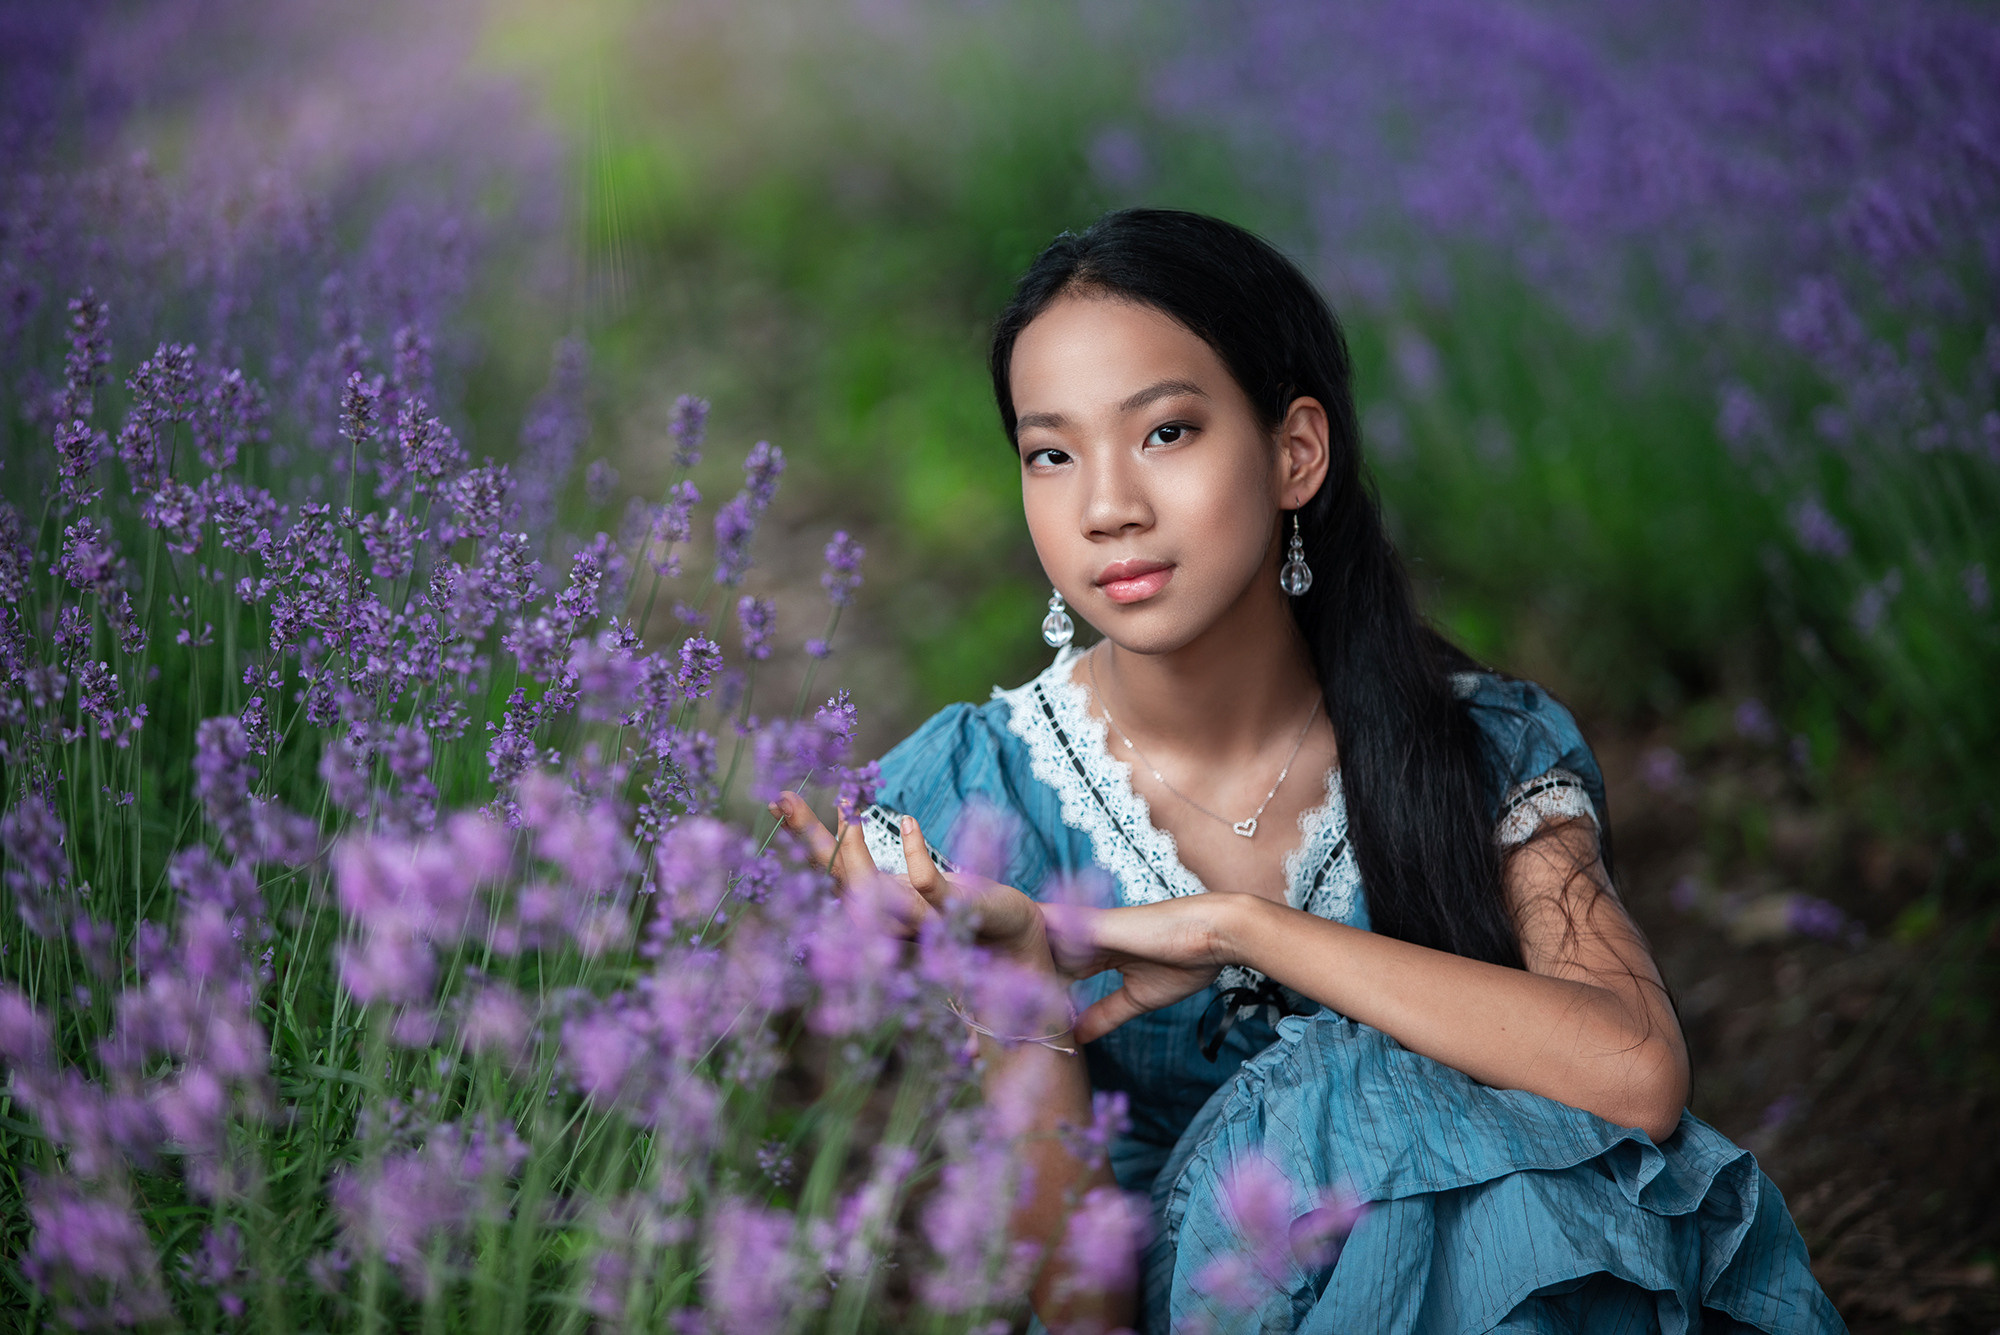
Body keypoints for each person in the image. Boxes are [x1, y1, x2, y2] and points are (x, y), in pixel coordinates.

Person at [774, 208, 1842, 1334]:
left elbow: (1633, 1073)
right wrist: (1022, 990)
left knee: (1437, 1144)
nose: (1105, 508)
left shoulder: (1478, 750)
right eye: (1051, 453)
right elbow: (1074, 1308)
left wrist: (1245, 928)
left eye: (1166, 433)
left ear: (1294, 452)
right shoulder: (971, 794)